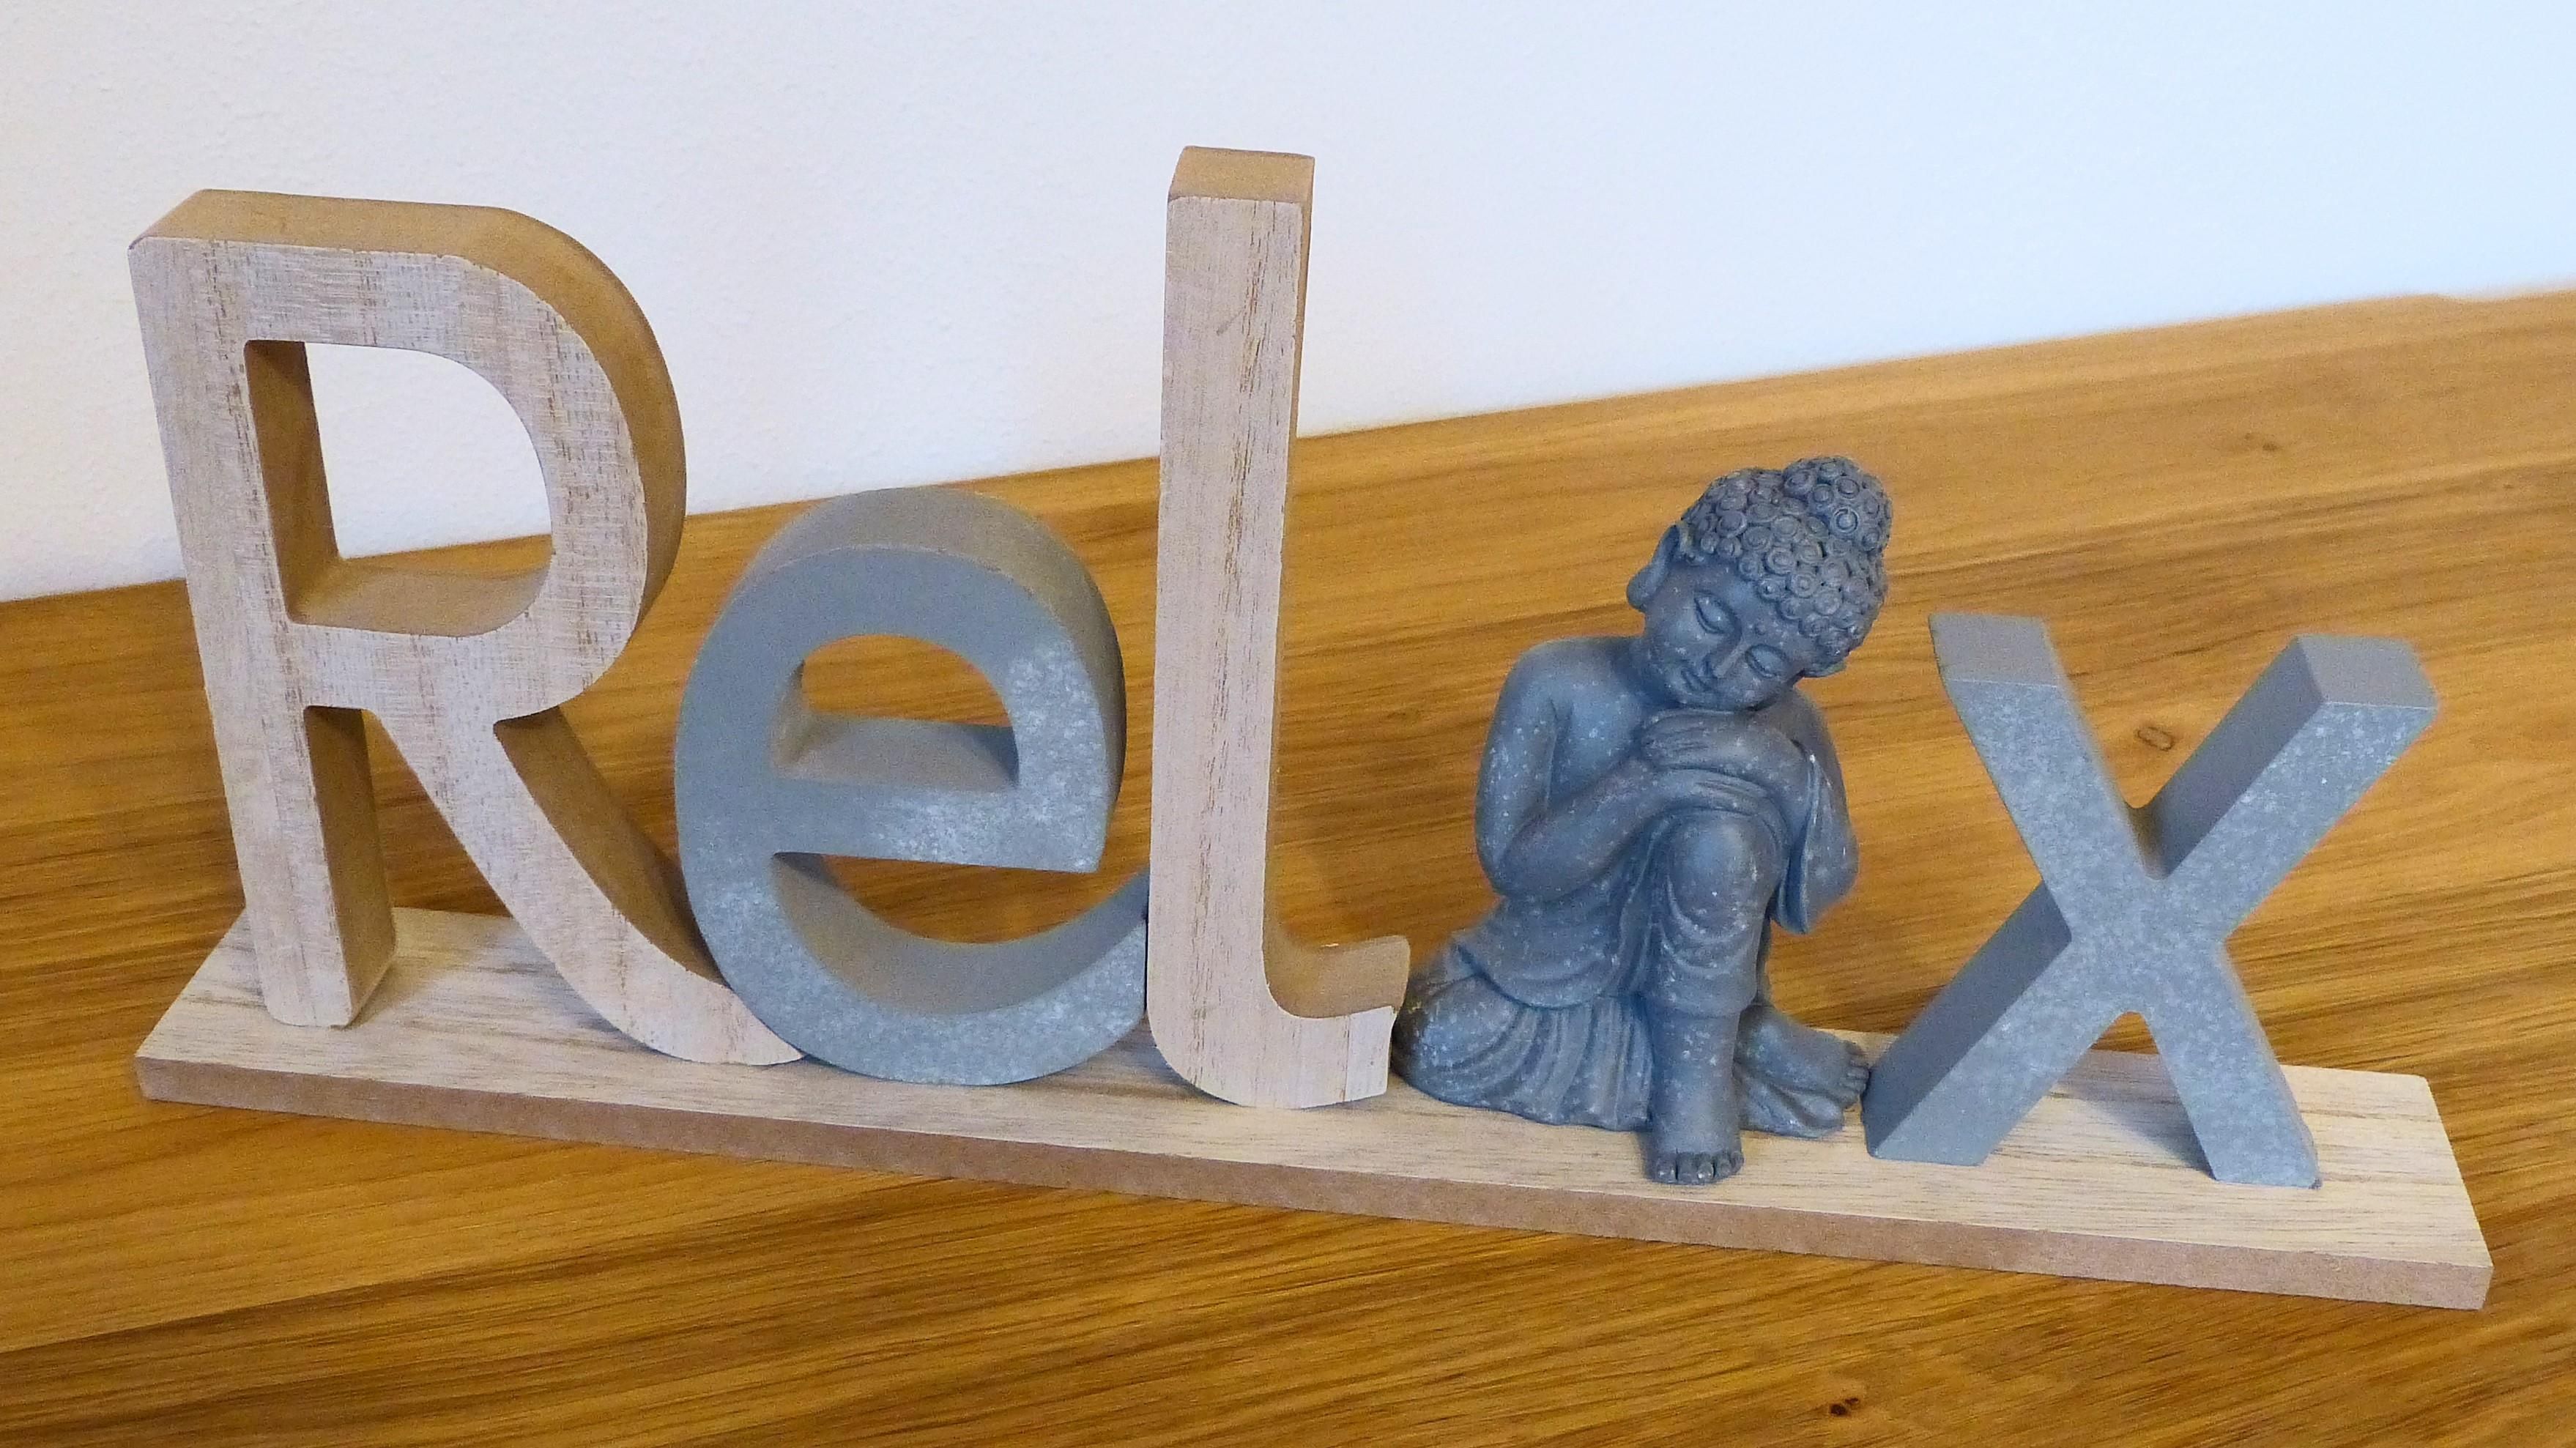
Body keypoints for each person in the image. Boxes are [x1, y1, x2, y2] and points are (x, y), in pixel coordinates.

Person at [1393, 457, 1890, 1184]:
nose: (1722, 665)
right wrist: (1637, 787)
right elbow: (1515, 868)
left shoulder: (1784, 726)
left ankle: (1698, 1087)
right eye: (1712, 617)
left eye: (1764, 660)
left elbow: (1826, 884)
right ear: (1663, 564)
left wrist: (1779, 771)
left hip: (1711, 994)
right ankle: (1732, 1053)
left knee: (1718, 840)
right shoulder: (1555, 679)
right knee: (1432, 1037)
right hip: (1543, 978)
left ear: (1801, 673)